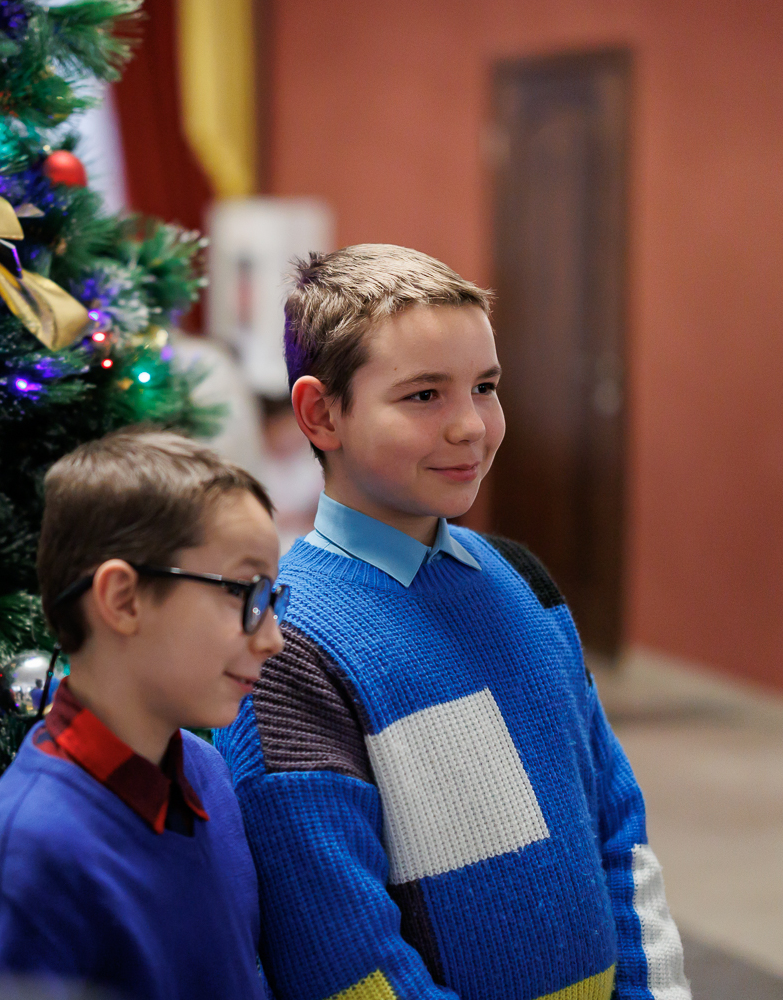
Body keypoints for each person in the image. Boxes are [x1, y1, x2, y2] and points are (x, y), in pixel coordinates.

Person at [215, 245, 691, 1000]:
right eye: (424, 395)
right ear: (321, 413)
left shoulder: (524, 582)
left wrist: (650, 990)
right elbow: (343, 956)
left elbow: (615, 824)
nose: (471, 425)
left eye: (485, 388)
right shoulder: (287, 651)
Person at [0, 429, 286, 1000]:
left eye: (272, 598)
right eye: (244, 594)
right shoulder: (30, 857)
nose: (273, 637)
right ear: (123, 599)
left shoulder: (205, 774)